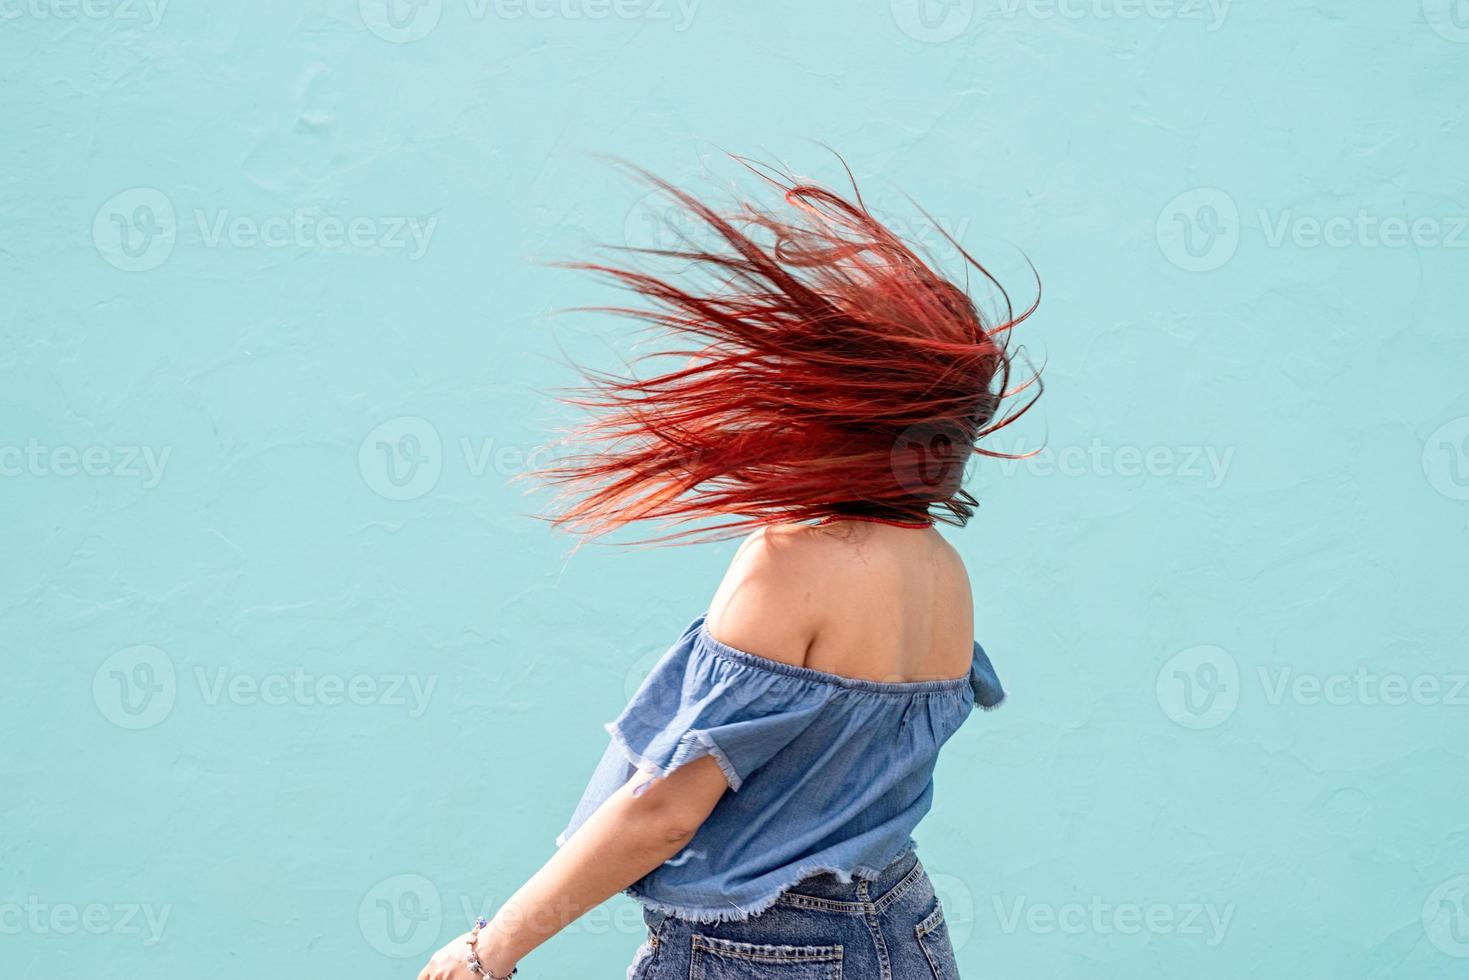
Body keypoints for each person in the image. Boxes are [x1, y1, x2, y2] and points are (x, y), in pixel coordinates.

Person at [418, 159, 1039, 980]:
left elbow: (666, 812)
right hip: (906, 929)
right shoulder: (943, 572)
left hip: (765, 950)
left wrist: (489, 949)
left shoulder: (789, 564)